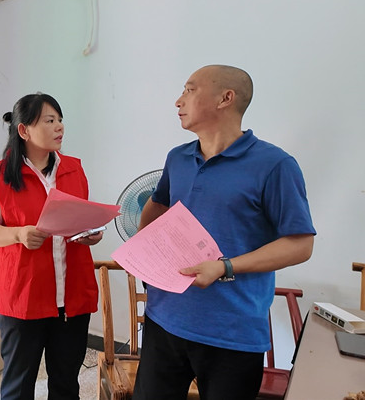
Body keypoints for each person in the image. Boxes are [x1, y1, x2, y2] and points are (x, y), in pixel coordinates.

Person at [133, 65, 315, 399]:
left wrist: (224, 266)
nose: (178, 100)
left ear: (225, 98)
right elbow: (158, 205)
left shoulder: (275, 165)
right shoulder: (178, 158)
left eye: (189, 90)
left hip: (232, 332)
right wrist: (144, 253)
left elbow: (300, 244)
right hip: (164, 319)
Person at [0, 93, 101, 400]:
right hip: (24, 296)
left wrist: (90, 234)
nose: (59, 127)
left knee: (66, 383)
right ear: (24, 130)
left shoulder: (74, 169)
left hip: (72, 295)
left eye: (60, 120)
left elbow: (81, 218)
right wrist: (18, 234)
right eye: (49, 120)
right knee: (18, 386)